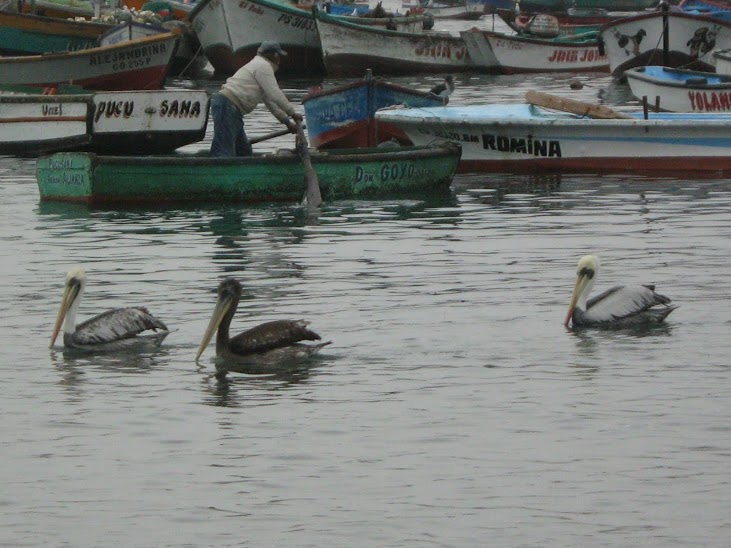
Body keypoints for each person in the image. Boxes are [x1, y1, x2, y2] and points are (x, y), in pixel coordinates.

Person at [209, 41, 303, 157]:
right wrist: (292, 113)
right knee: (223, 151)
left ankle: (245, 172)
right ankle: (219, 173)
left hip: (232, 109)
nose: (279, 60)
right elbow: (275, 94)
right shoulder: (263, 65)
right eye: (278, 55)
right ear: (272, 55)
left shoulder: (259, 65)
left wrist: (287, 122)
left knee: (244, 151)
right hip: (227, 106)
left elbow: (270, 101)